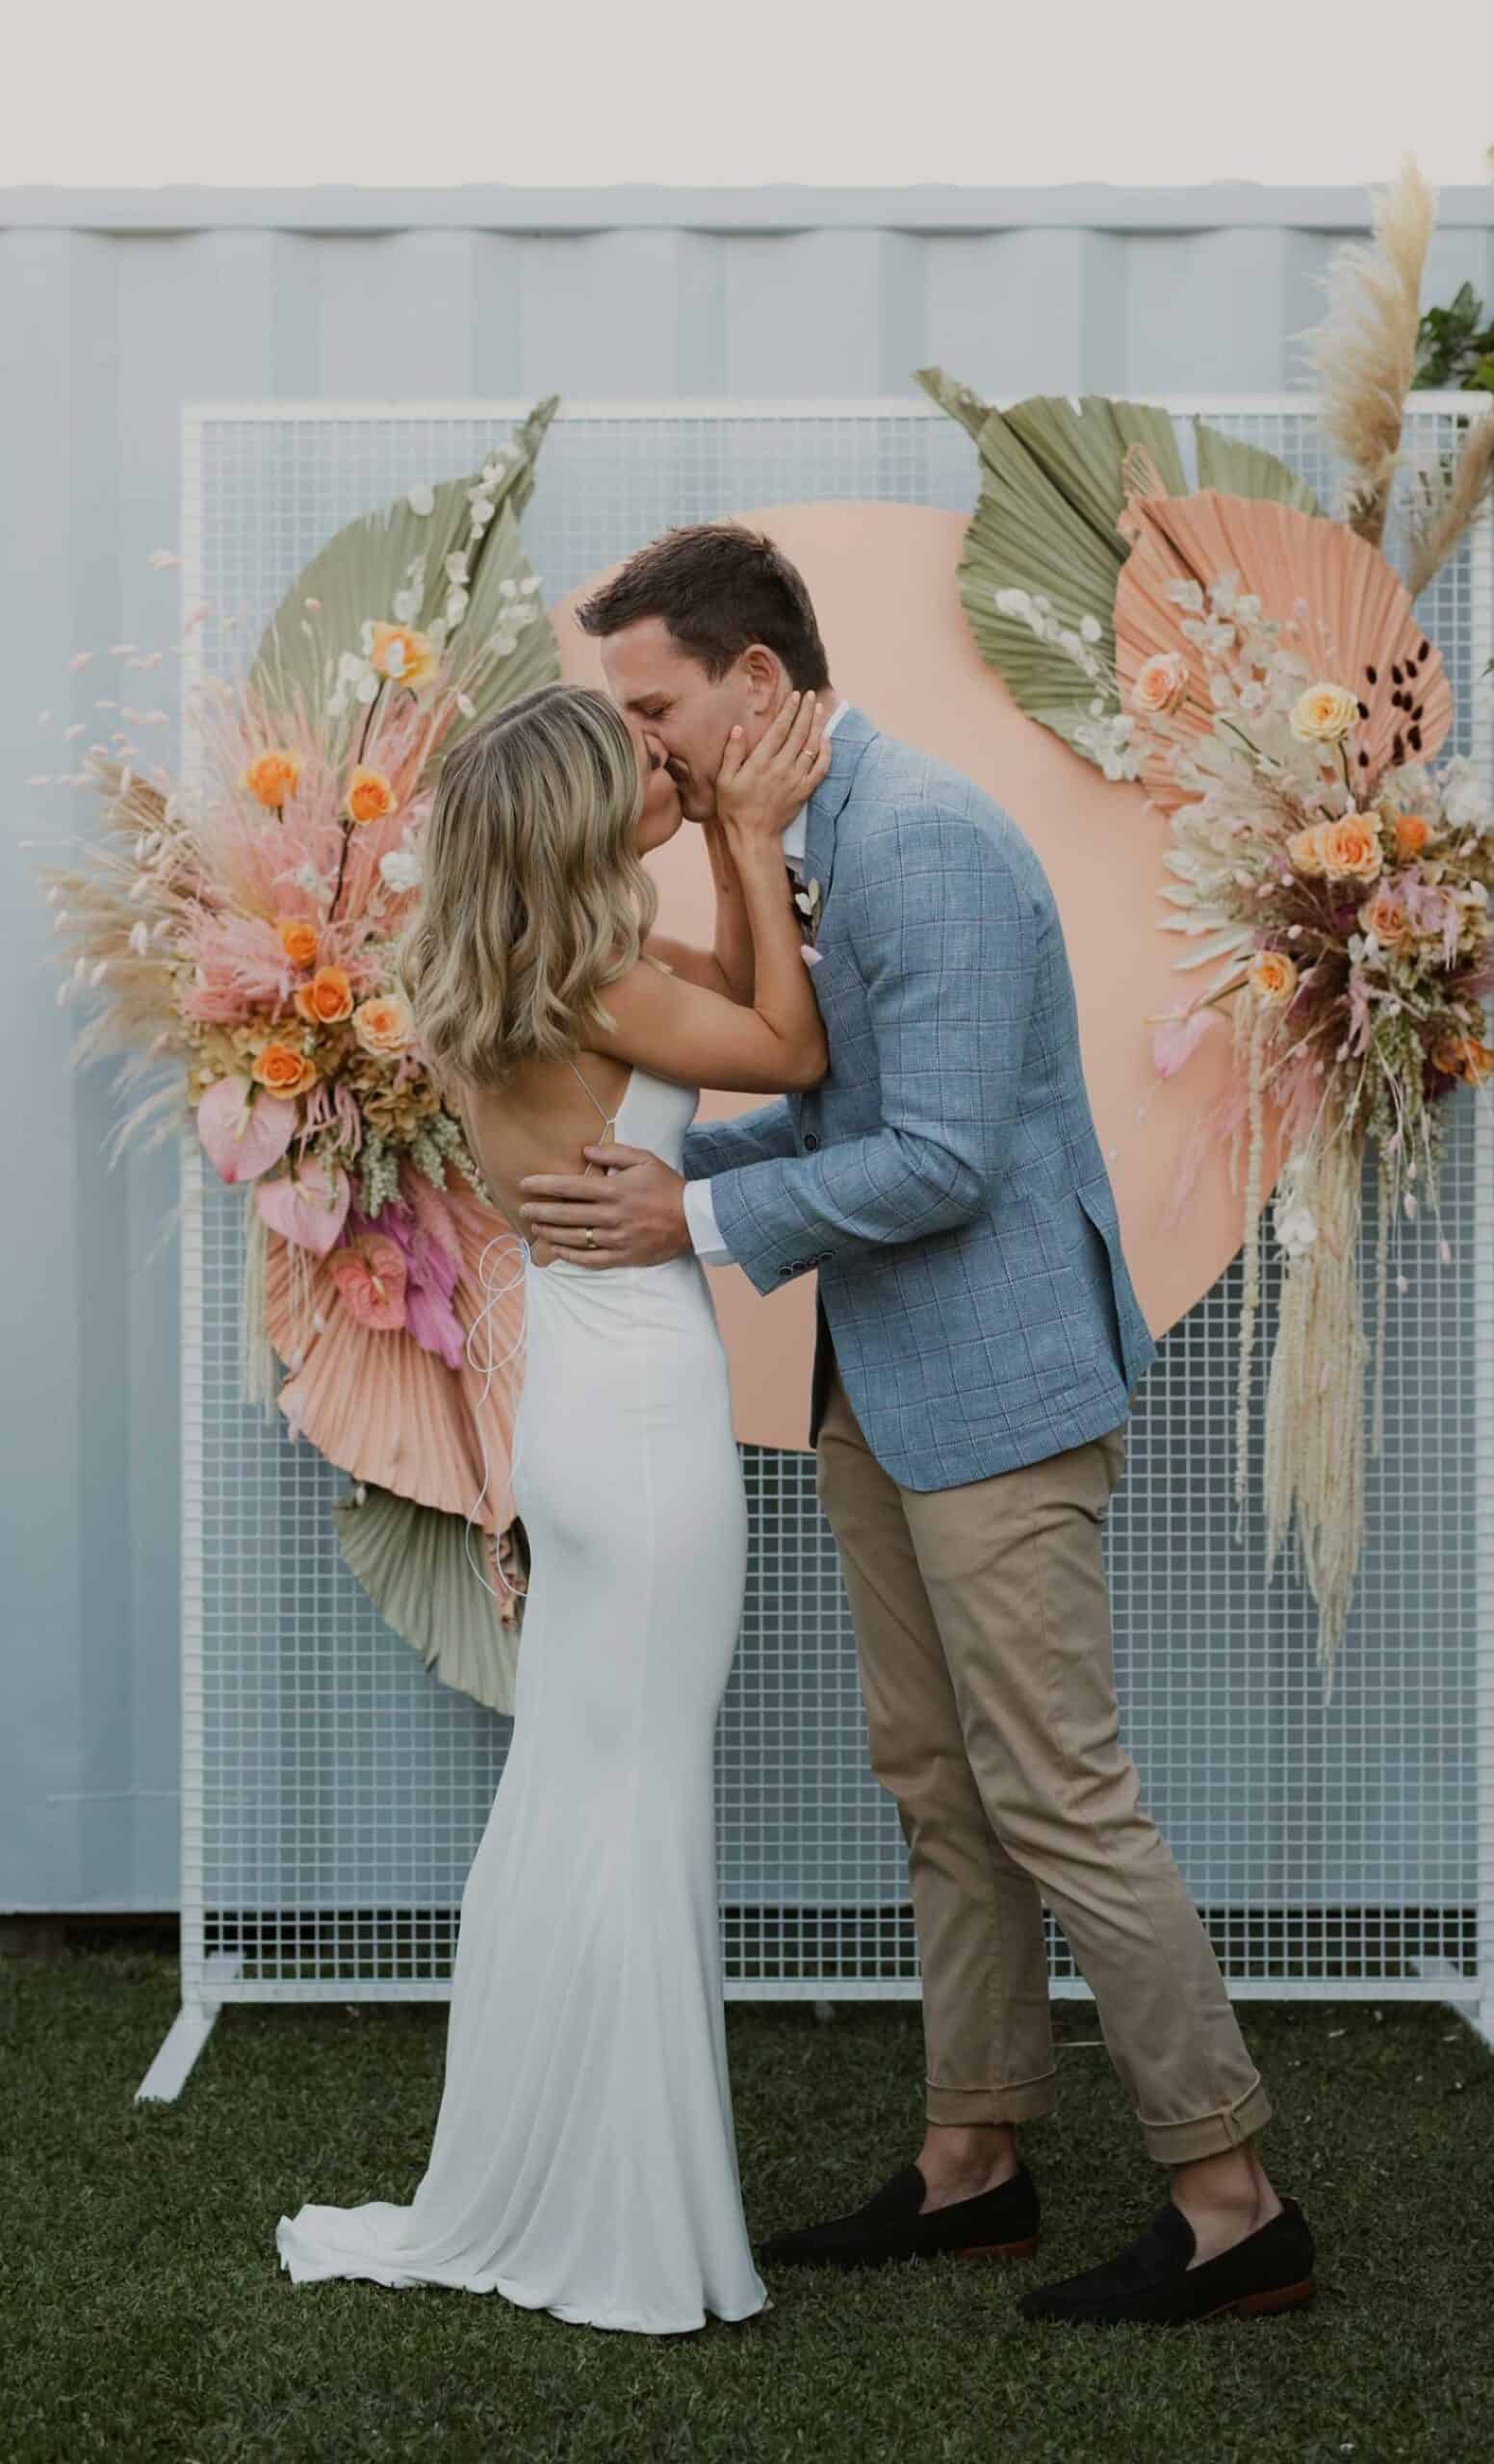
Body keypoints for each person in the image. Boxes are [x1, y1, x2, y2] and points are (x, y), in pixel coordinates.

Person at [519, 523, 1317, 2330]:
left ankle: (1231, 2193)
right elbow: (826, 1116)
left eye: (654, 712)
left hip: (1000, 1379)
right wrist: (635, 1170)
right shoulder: (788, 842)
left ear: (760, 688)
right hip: (879, 1379)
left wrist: (688, 1219)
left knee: (1056, 1791)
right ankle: (976, 2165)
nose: (637, 748)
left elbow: (945, 1160)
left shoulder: (923, 841)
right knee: (938, 1785)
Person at [274, 680, 833, 2334]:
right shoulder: (603, 981)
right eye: (648, 765)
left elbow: (732, 992)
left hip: (568, 1430)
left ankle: (562, 2174)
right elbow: (791, 1046)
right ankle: (626, 2226)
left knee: (573, 1797)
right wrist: (748, 832)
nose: (674, 771)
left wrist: (729, 855)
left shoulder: (507, 986)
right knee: (637, 1803)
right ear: (585, 815)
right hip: (648, 1422)